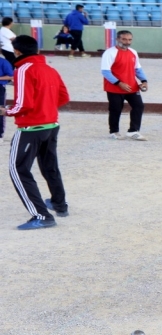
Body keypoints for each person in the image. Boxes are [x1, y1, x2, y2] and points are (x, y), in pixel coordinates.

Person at [0, 35, 70, 230]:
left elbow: (23, 103)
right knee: (49, 166)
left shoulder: (22, 69)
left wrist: (7, 111)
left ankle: (42, 215)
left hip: (31, 128)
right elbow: (64, 96)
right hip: (51, 125)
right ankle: (59, 204)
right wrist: (45, 109)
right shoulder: (50, 69)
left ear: (17, 52)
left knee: (18, 170)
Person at [101, 30, 149, 141]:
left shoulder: (133, 52)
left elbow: (137, 68)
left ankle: (133, 131)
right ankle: (114, 131)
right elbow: (105, 71)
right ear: (117, 39)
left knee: (139, 106)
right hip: (114, 88)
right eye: (124, 39)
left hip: (132, 86)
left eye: (129, 39)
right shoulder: (109, 53)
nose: (127, 42)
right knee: (116, 109)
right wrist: (119, 83)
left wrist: (144, 80)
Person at [0, 56, 12, 144]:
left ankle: (0, 134)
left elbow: (10, 76)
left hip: (0, 88)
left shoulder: (3, 62)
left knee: (0, 110)